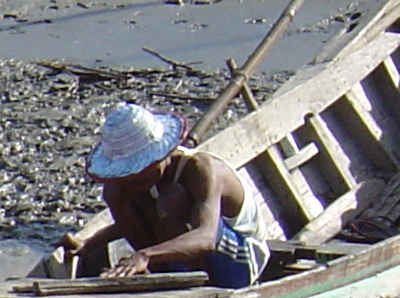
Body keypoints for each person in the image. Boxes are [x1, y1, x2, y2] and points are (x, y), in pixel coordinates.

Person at [65, 102, 273, 287]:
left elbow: (207, 237)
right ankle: (166, 278)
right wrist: (90, 243)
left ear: (161, 154)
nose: (134, 178)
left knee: (172, 199)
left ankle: (199, 286)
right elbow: (130, 220)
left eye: (140, 169)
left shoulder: (201, 170)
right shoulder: (145, 180)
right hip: (181, 257)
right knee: (116, 192)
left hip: (240, 262)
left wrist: (145, 256)